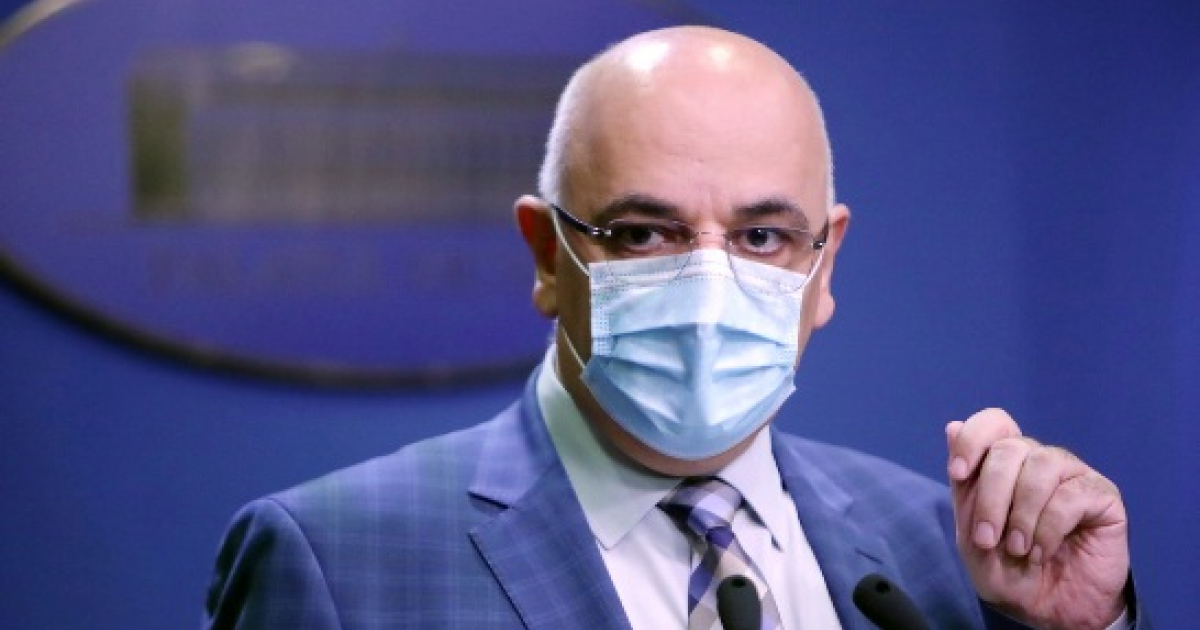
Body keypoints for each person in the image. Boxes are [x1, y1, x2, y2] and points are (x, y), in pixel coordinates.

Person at [203, 26, 1147, 630]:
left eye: (763, 236)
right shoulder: (337, 559)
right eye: (643, 233)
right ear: (547, 255)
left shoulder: (941, 552)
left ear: (824, 267)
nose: (708, 284)